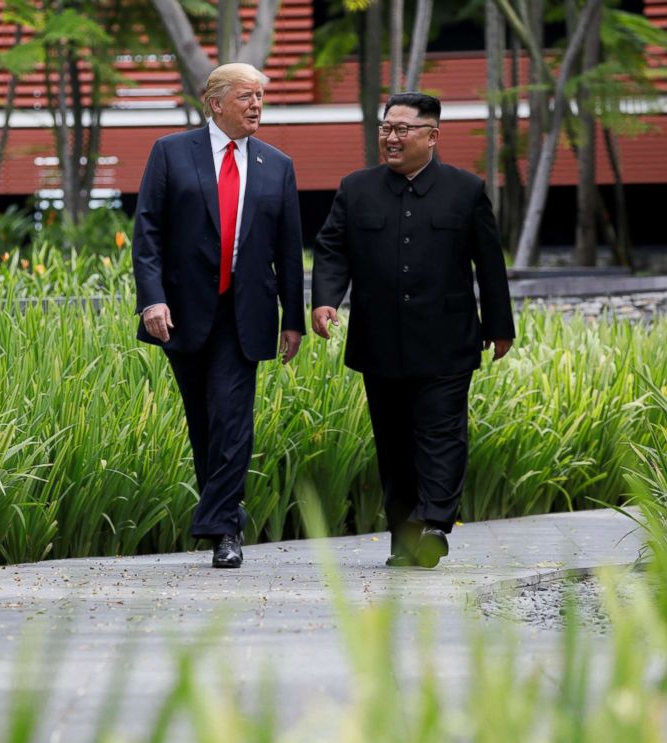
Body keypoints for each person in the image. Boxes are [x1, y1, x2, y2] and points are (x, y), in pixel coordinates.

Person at [311, 92, 515, 568]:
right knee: (395, 444)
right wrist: (324, 300)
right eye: (386, 128)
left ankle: (434, 523)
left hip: (447, 339)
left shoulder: (465, 190)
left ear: (432, 136)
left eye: (403, 129)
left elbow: (489, 264)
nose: (392, 138)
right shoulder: (356, 188)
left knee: (442, 434)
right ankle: (407, 541)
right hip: (379, 341)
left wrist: (499, 326)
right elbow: (332, 249)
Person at [132, 63, 306, 568]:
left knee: (232, 417)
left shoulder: (278, 164)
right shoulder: (170, 153)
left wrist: (291, 319)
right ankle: (224, 518)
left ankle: (222, 526)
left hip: (244, 311)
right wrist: (152, 299)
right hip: (182, 311)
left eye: (260, 97)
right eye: (247, 97)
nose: (256, 106)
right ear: (215, 103)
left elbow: (290, 251)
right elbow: (147, 233)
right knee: (203, 420)